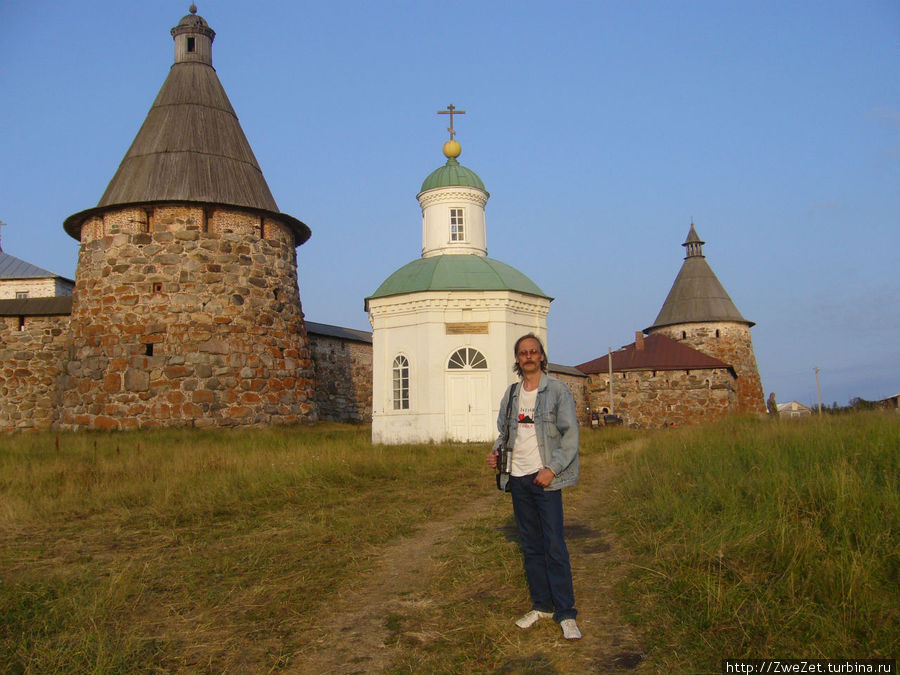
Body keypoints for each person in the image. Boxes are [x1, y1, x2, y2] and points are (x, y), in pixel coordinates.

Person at [486, 333, 582, 640]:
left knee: (554, 545)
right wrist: (497, 454)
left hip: (545, 479)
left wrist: (552, 469)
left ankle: (566, 613)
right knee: (531, 546)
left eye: (533, 351)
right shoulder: (512, 394)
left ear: (542, 357)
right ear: (517, 359)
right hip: (518, 478)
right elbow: (504, 433)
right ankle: (542, 605)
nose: (528, 356)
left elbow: (570, 437)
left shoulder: (557, 390)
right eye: (523, 352)